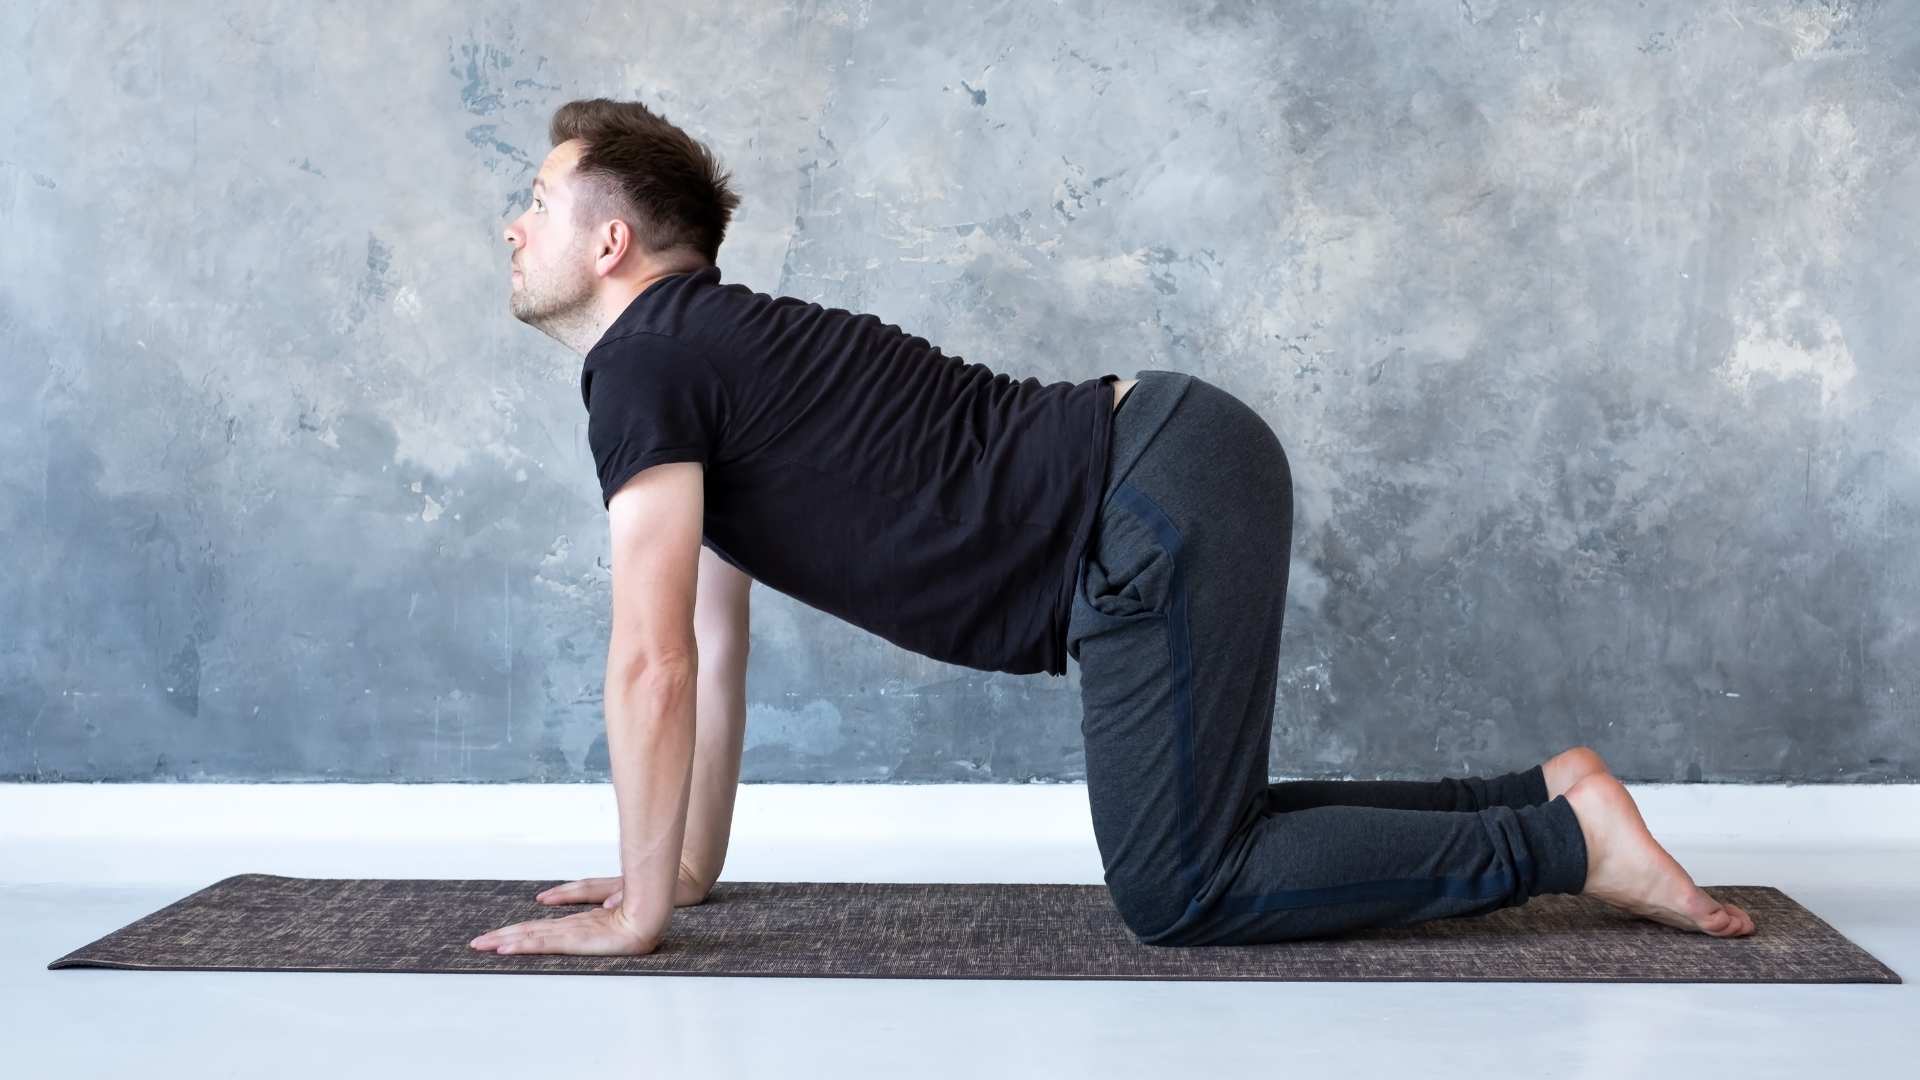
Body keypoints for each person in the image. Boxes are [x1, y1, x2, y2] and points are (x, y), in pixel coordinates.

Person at [472, 97, 1754, 958]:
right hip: (1170, 465)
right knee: (1211, 828)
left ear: (613, 241)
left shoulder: (648, 363)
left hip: (1145, 500)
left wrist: (635, 917)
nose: (514, 222)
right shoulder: (707, 356)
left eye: (537, 197)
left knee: (1181, 889)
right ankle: (1545, 797)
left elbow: (653, 665)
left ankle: (1563, 844)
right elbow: (709, 629)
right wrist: (679, 876)